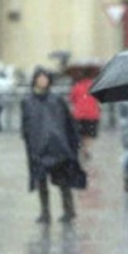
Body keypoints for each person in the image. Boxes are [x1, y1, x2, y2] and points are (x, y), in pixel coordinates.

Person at [21, 67, 87, 224]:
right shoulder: (28, 101)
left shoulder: (56, 100)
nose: (43, 81)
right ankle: (45, 212)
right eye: (40, 77)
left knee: (63, 181)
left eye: (45, 78)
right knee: (41, 180)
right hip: (39, 147)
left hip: (58, 146)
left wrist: (72, 143)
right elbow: (26, 125)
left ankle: (69, 211)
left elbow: (67, 122)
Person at [69, 70, 101, 160]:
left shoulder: (77, 86)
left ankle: (83, 148)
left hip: (79, 114)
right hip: (92, 114)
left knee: (81, 133)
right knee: (90, 134)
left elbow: (72, 99)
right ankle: (87, 149)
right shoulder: (94, 85)